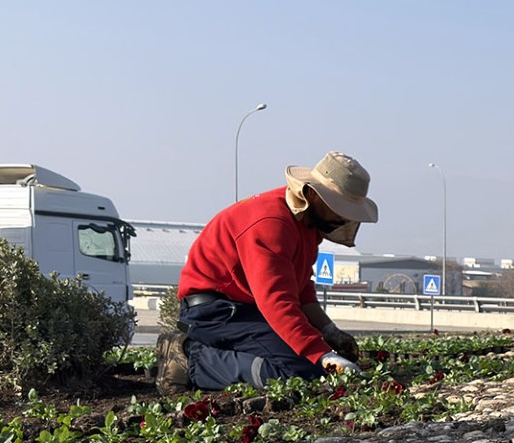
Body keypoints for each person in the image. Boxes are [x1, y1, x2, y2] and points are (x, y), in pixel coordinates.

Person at [155, 151, 378, 392]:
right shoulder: (271, 222)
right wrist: (322, 355)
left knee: (311, 363)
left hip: (247, 310)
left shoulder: (305, 224)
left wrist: (328, 331)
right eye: (339, 208)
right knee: (302, 372)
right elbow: (275, 301)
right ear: (313, 194)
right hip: (215, 311)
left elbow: (301, 287)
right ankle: (192, 359)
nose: (343, 218)